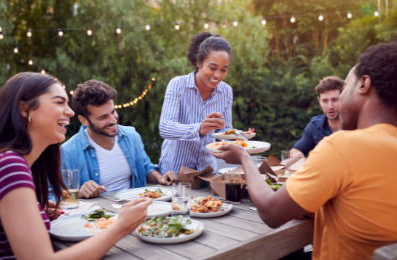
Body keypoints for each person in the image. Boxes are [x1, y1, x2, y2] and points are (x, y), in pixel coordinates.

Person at [212, 42, 397, 260]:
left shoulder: (343, 146)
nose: (334, 104)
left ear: (364, 84)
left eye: (345, 87)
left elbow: (271, 213)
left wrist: (244, 157)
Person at [0, 72, 152, 260]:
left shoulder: (14, 163)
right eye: (59, 102)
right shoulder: (10, 167)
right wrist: (121, 226)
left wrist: (39, 212)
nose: (70, 112)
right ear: (25, 109)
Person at [60, 80, 179, 199]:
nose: (113, 120)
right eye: (103, 117)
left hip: (136, 206)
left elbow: (144, 167)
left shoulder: (131, 135)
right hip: (99, 215)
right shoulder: (67, 152)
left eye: (113, 112)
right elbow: (53, 197)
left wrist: (160, 178)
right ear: (84, 120)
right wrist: (79, 194)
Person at [159, 32, 233, 174]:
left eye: (224, 70)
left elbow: (225, 130)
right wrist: (199, 129)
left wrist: (234, 139)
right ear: (198, 62)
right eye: (212, 68)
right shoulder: (178, 85)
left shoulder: (226, 91)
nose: (218, 75)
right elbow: (165, 128)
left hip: (207, 170)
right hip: (175, 171)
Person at [290, 76, 344, 157]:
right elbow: (295, 150)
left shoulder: (357, 126)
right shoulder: (315, 125)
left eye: (335, 100)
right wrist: (299, 157)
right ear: (319, 101)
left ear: (344, 98)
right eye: (325, 101)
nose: (330, 106)